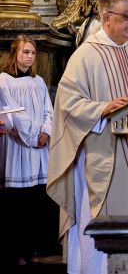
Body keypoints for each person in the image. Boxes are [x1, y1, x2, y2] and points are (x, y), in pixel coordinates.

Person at [47, 0, 128, 274]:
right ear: (105, 17)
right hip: (105, 153)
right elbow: (67, 102)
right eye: (126, 16)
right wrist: (102, 109)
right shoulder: (86, 55)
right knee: (103, 223)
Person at [0, 37, 56, 266]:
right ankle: (16, 251)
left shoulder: (39, 81)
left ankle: (35, 248)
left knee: (36, 197)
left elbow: (48, 110)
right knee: (17, 202)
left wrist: (47, 132)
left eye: (33, 53)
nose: (30, 56)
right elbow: (14, 114)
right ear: (14, 54)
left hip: (39, 147)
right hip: (17, 146)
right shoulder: (3, 81)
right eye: (26, 52)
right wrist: (35, 137)